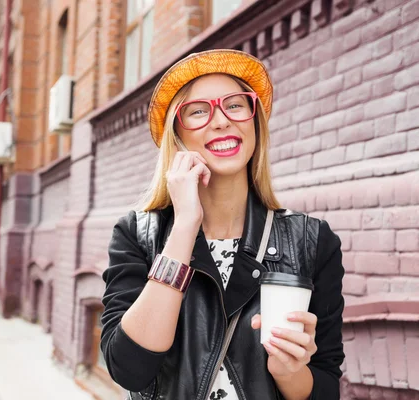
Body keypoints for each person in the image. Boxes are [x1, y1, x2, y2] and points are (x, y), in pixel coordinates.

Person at [100, 49, 345, 400]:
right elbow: (129, 369)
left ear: (253, 122)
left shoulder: (312, 240)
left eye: (235, 105)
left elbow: (325, 386)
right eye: (198, 111)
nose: (221, 121)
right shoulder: (138, 234)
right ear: (178, 137)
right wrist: (185, 224)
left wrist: (290, 372)